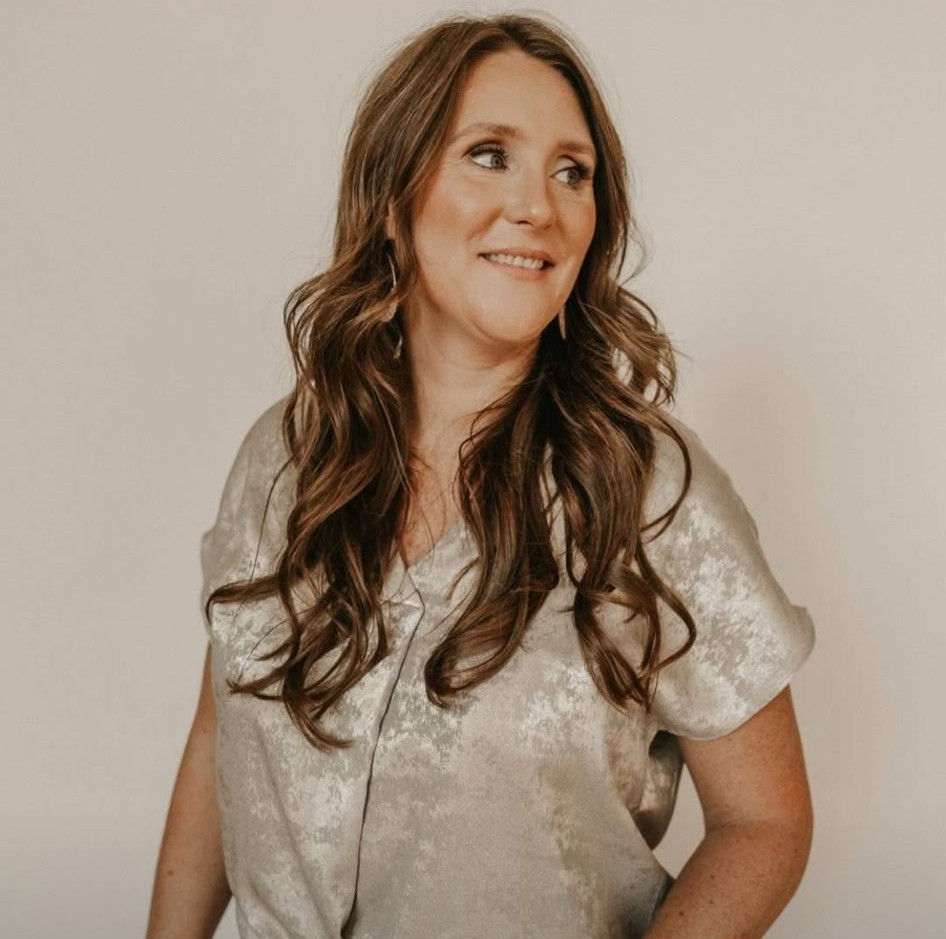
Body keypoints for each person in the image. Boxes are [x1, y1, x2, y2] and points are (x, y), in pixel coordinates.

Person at [147, 12, 816, 939]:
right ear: (394, 195)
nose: (538, 204)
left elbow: (765, 821)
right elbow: (221, 730)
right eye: (489, 154)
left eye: (571, 171)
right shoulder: (285, 454)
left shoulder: (647, 490)